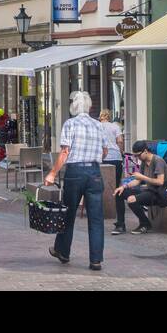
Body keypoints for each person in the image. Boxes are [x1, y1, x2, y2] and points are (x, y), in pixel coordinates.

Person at [44, 90, 117, 271]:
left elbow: (65, 152)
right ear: (90, 106)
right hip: (94, 172)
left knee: (69, 214)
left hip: (75, 172)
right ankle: (96, 260)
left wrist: (52, 173)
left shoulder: (70, 124)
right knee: (96, 218)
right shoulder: (98, 125)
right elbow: (105, 151)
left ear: (74, 107)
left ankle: (63, 251)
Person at [114, 141, 167, 235]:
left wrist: (143, 177)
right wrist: (123, 186)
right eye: (135, 156)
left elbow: (160, 181)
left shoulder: (158, 160)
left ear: (146, 151)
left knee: (132, 199)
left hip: (159, 193)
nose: (137, 158)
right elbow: (137, 181)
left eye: (138, 155)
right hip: (149, 190)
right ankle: (120, 225)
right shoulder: (144, 162)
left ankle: (145, 224)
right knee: (120, 193)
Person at [97, 110, 126, 232]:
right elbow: (120, 141)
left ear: (101, 117)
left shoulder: (97, 127)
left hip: (102, 159)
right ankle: (120, 221)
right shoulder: (115, 126)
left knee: (100, 187)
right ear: (109, 117)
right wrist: (121, 152)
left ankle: (100, 216)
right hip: (116, 158)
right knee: (117, 188)